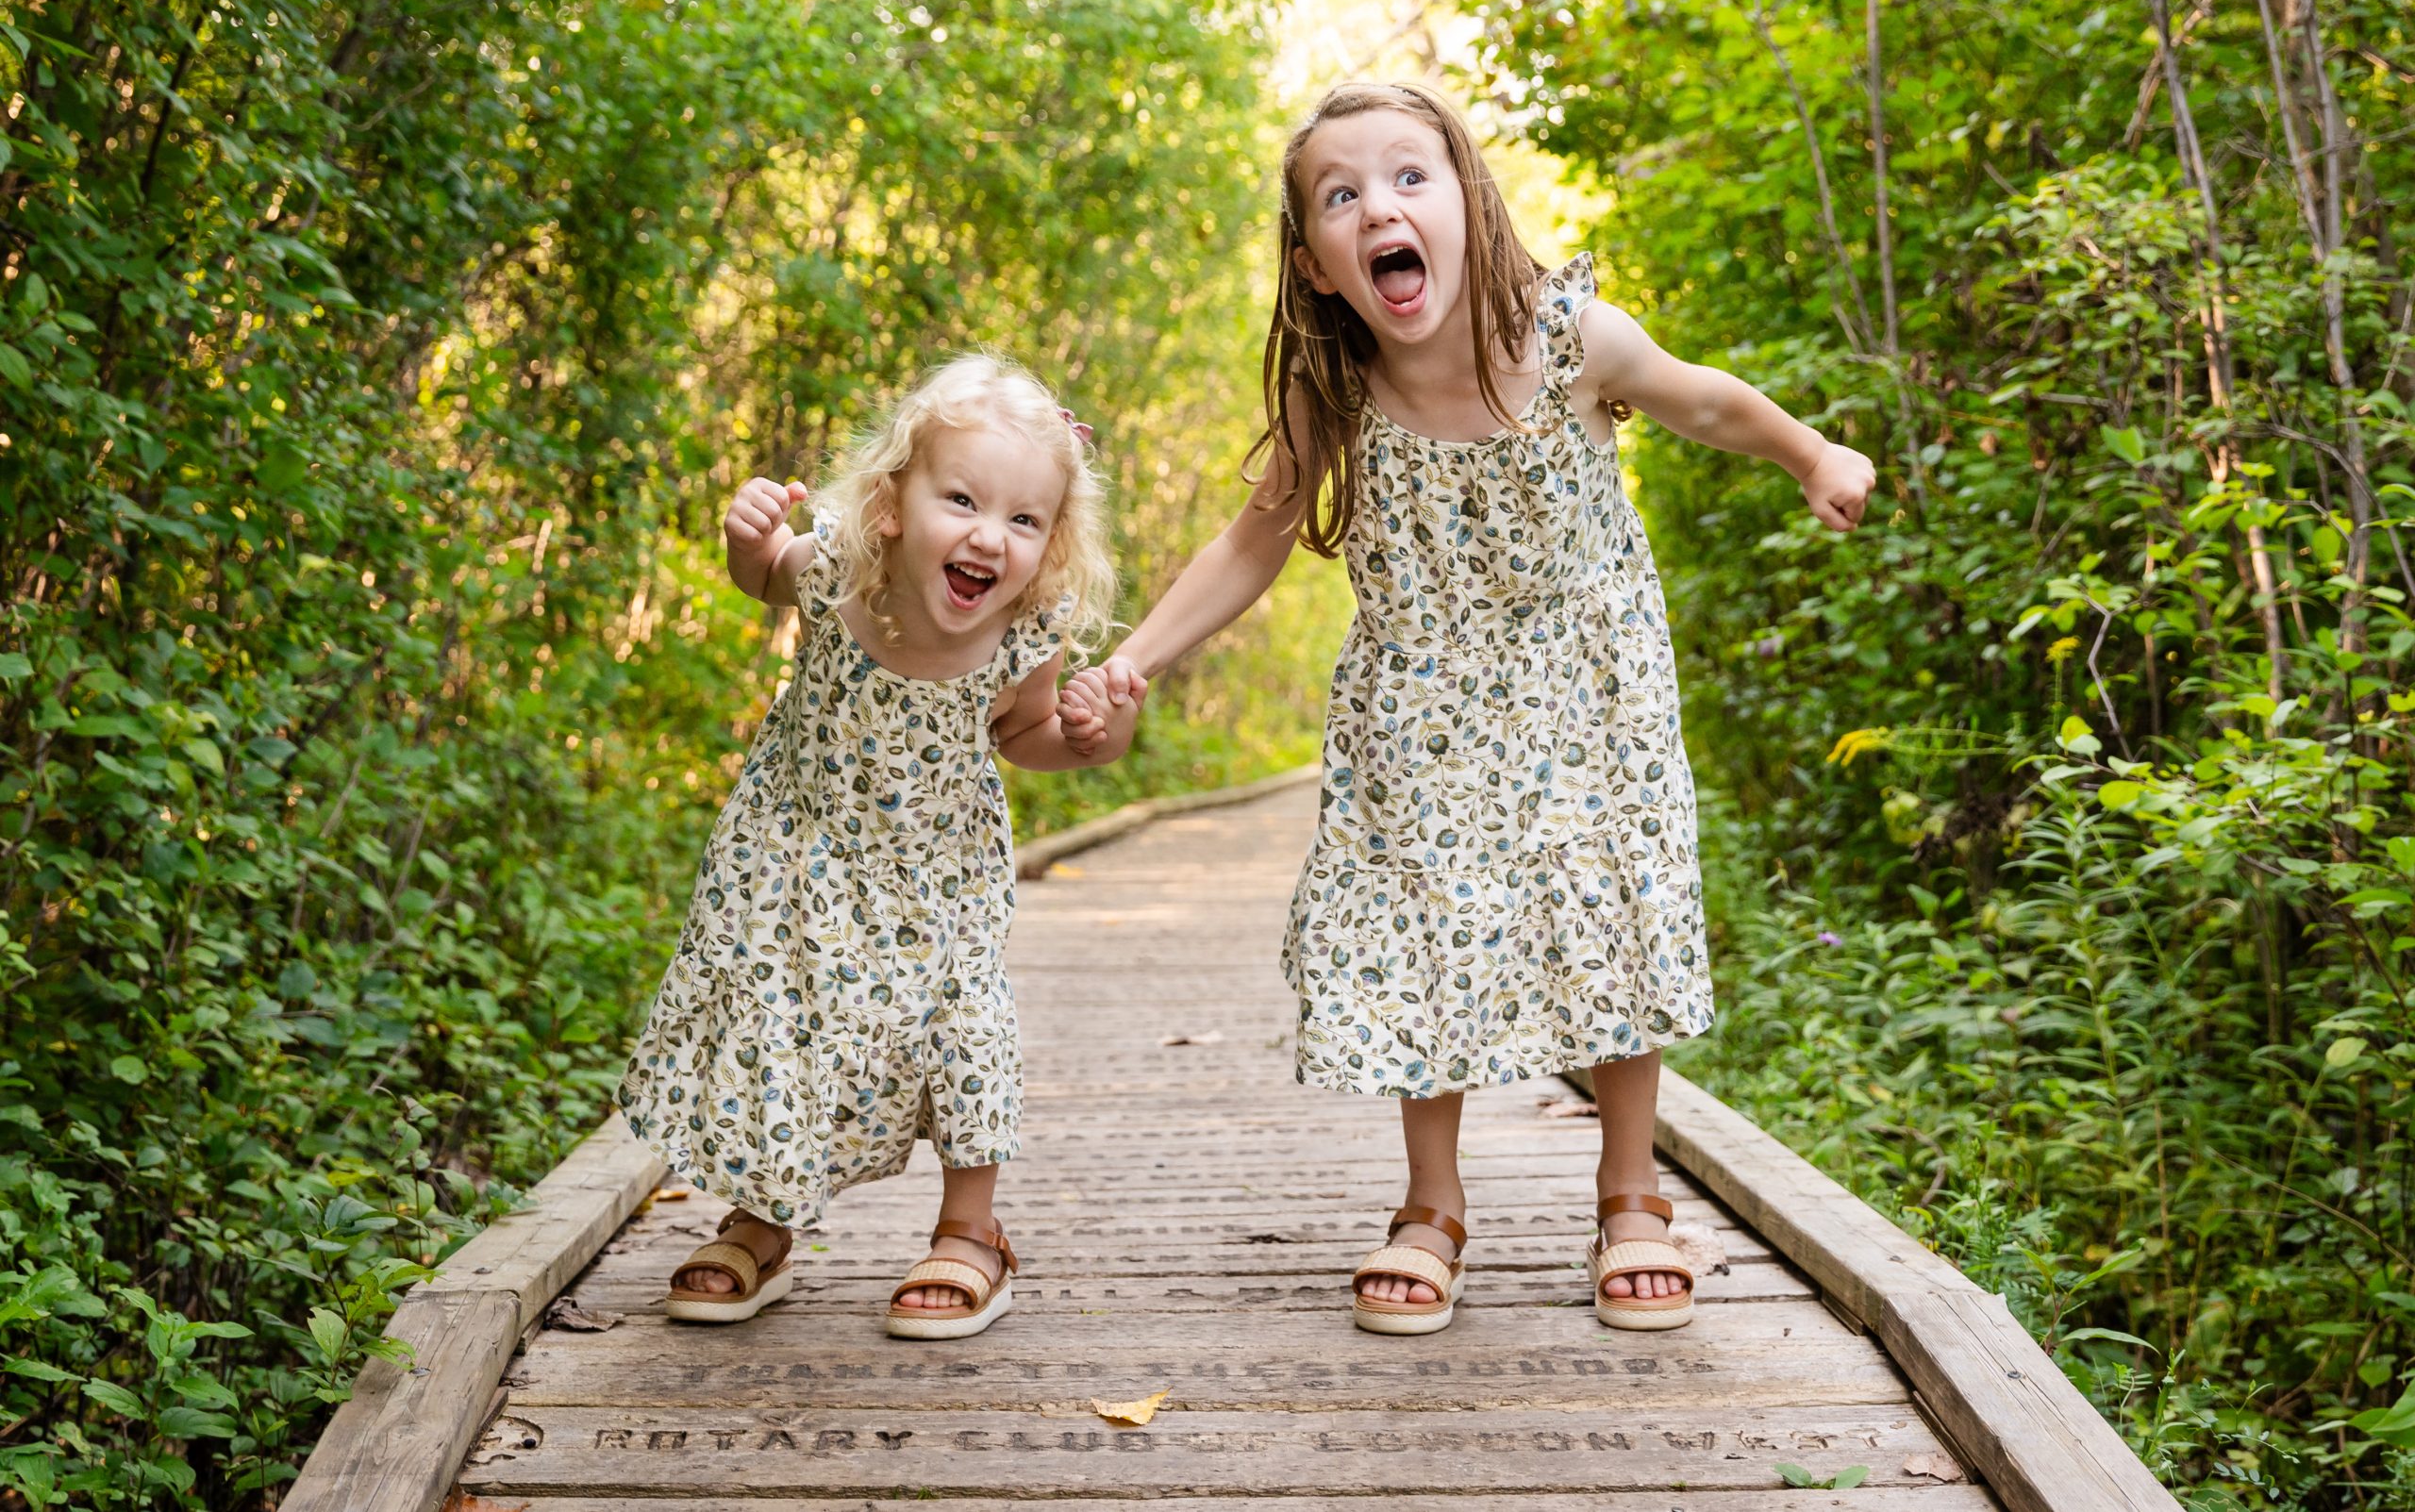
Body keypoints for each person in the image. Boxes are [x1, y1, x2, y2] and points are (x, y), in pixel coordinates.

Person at [1060, 82, 1874, 1334]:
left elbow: (1702, 396)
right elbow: (1255, 539)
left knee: (1612, 905)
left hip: (1591, 680)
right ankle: (1431, 1205)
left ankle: (1631, 1193)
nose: (1379, 205)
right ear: (1318, 266)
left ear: (1467, 202)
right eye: (1342, 197)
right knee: (1417, 926)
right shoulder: (1336, 395)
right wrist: (1140, 657)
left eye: (1408, 177)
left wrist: (1812, 454)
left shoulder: (1570, 340)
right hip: (1420, 695)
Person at [619, 353, 1137, 1338]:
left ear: (1051, 544)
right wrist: (748, 538)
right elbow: (759, 576)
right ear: (893, 504)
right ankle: (763, 1221)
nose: (990, 536)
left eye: (1024, 521)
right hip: (794, 848)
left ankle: (970, 1231)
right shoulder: (834, 571)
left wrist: (1091, 735)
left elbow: (1021, 735)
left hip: (938, 871)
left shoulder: (1028, 632)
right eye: (963, 501)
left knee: (963, 1026)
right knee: (783, 1021)